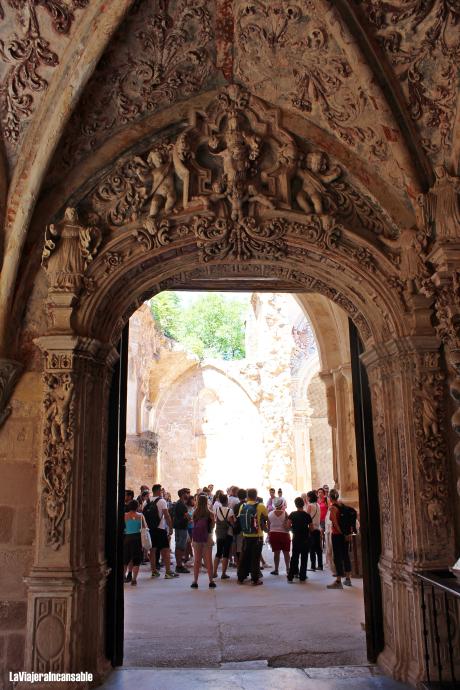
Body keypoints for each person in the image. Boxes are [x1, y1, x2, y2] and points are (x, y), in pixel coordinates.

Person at [143, 484, 178, 579]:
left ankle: (154, 571)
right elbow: (166, 515)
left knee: (152, 550)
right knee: (165, 550)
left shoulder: (146, 502)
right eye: (161, 491)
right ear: (158, 491)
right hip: (160, 529)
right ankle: (168, 572)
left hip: (150, 529)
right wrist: (170, 528)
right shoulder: (162, 501)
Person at [237, 488, 268, 586]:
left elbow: (239, 518)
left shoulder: (243, 506)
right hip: (257, 536)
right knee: (255, 558)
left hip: (246, 535)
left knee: (244, 557)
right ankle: (255, 579)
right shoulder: (261, 506)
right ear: (256, 495)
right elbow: (266, 518)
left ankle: (241, 578)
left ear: (247, 496)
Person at [327, 489, 352, 589]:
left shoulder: (333, 508)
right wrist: (346, 533)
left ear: (330, 497)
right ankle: (348, 579)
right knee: (346, 555)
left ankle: (338, 581)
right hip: (345, 534)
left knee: (337, 557)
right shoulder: (342, 505)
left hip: (337, 535)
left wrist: (341, 532)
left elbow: (335, 522)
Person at [190, 494, 216, 589]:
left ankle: (195, 581)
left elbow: (194, 526)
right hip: (207, 537)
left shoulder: (195, 513)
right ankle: (211, 581)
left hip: (197, 538)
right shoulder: (211, 513)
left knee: (197, 560)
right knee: (208, 560)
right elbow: (212, 527)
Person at [287, 497, 311, 582]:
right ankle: (302, 576)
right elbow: (311, 528)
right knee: (304, 558)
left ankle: (291, 576)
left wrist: (293, 530)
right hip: (305, 539)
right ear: (303, 504)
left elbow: (288, 526)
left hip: (296, 538)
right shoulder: (307, 515)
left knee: (294, 557)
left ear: (295, 505)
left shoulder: (292, 514)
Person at [123, 499, 147, 586]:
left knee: (125, 560)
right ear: (137, 507)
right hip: (137, 539)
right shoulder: (140, 516)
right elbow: (145, 528)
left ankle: (123, 576)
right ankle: (134, 580)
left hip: (127, 538)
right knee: (136, 560)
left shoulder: (125, 515)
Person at [213, 494, 235, 579]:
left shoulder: (217, 510)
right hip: (228, 534)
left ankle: (214, 572)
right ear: (227, 501)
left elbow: (216, 520)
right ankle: (223, 573)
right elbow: (232, 523)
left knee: (218, 552)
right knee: (226, 553)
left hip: (219, 533)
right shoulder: (230, 511)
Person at [268, 497, 290, 575]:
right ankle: (288, 569)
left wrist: (268, 534)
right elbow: (288, 525)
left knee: (276, 553)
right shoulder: (285, 513)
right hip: (284, 534)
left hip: (273, 534)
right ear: (282, 504)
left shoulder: (270, 514)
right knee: (286, 553)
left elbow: (269, 525)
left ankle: (276, 569)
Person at [173, 488, 191, 574]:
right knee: (180, 547)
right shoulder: (181, 505)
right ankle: (179, 566)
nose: (188, 495)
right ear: (183, 494)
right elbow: (188, 517)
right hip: (181, 528)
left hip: (179, 527)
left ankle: (179, 565)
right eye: (187, 493)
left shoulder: (179, 503)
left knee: (179, 546)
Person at [306, 490, 322, 571]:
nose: (307, 498)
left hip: (311, 528)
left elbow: (307, 517)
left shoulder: (310, 506)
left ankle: (313, 566)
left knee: (312, 548)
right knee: (318, 548)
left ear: (310, 497)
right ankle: (320, 565)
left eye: (307, 496)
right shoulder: (318, 505)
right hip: (318, 528)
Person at [232, 488, 247, 566]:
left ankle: (239, 567)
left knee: (239, 549)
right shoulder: (248, 505)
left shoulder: (236, 506)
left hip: (239, 529)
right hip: (248, 530)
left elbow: (234, 518)